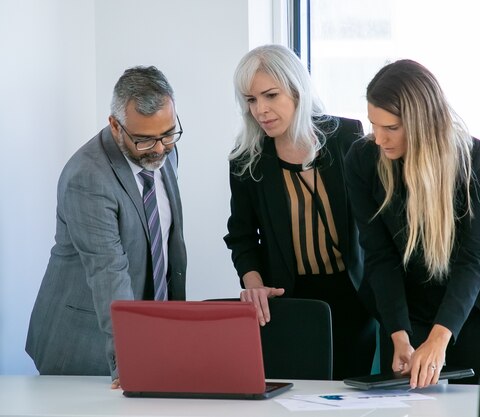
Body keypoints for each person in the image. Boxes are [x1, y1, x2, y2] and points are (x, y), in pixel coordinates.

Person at [344, 59, 480, 388]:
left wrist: (439, 338)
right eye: (375, 125)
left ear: (421, 124)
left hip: (473, 308)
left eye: (391, 128)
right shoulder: (362, 161)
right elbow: (378, 254)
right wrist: (399, 336)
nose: (379, 139)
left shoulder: (475, 160)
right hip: (403, 305)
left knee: (469, 405)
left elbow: (474, 256)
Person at [26, 66, 187, 387]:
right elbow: (107, 270)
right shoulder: (88, 177)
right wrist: (126, 358)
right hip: (84, 344)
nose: (158, 149)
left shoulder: (165, 152)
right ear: (115, 125)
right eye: (143, 139)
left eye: (167, 133)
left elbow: (163, 243)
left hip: (146, 331)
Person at [223, 44, 376, 380]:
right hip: (290, 301)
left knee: (351, 397)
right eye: (251, 100)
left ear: (297, 89)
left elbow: (376, 222)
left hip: (354, 295)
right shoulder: (246, 160)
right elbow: (242, 237)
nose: (260, 109)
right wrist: (255, 287)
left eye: (270, 95)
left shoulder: (347, 137)